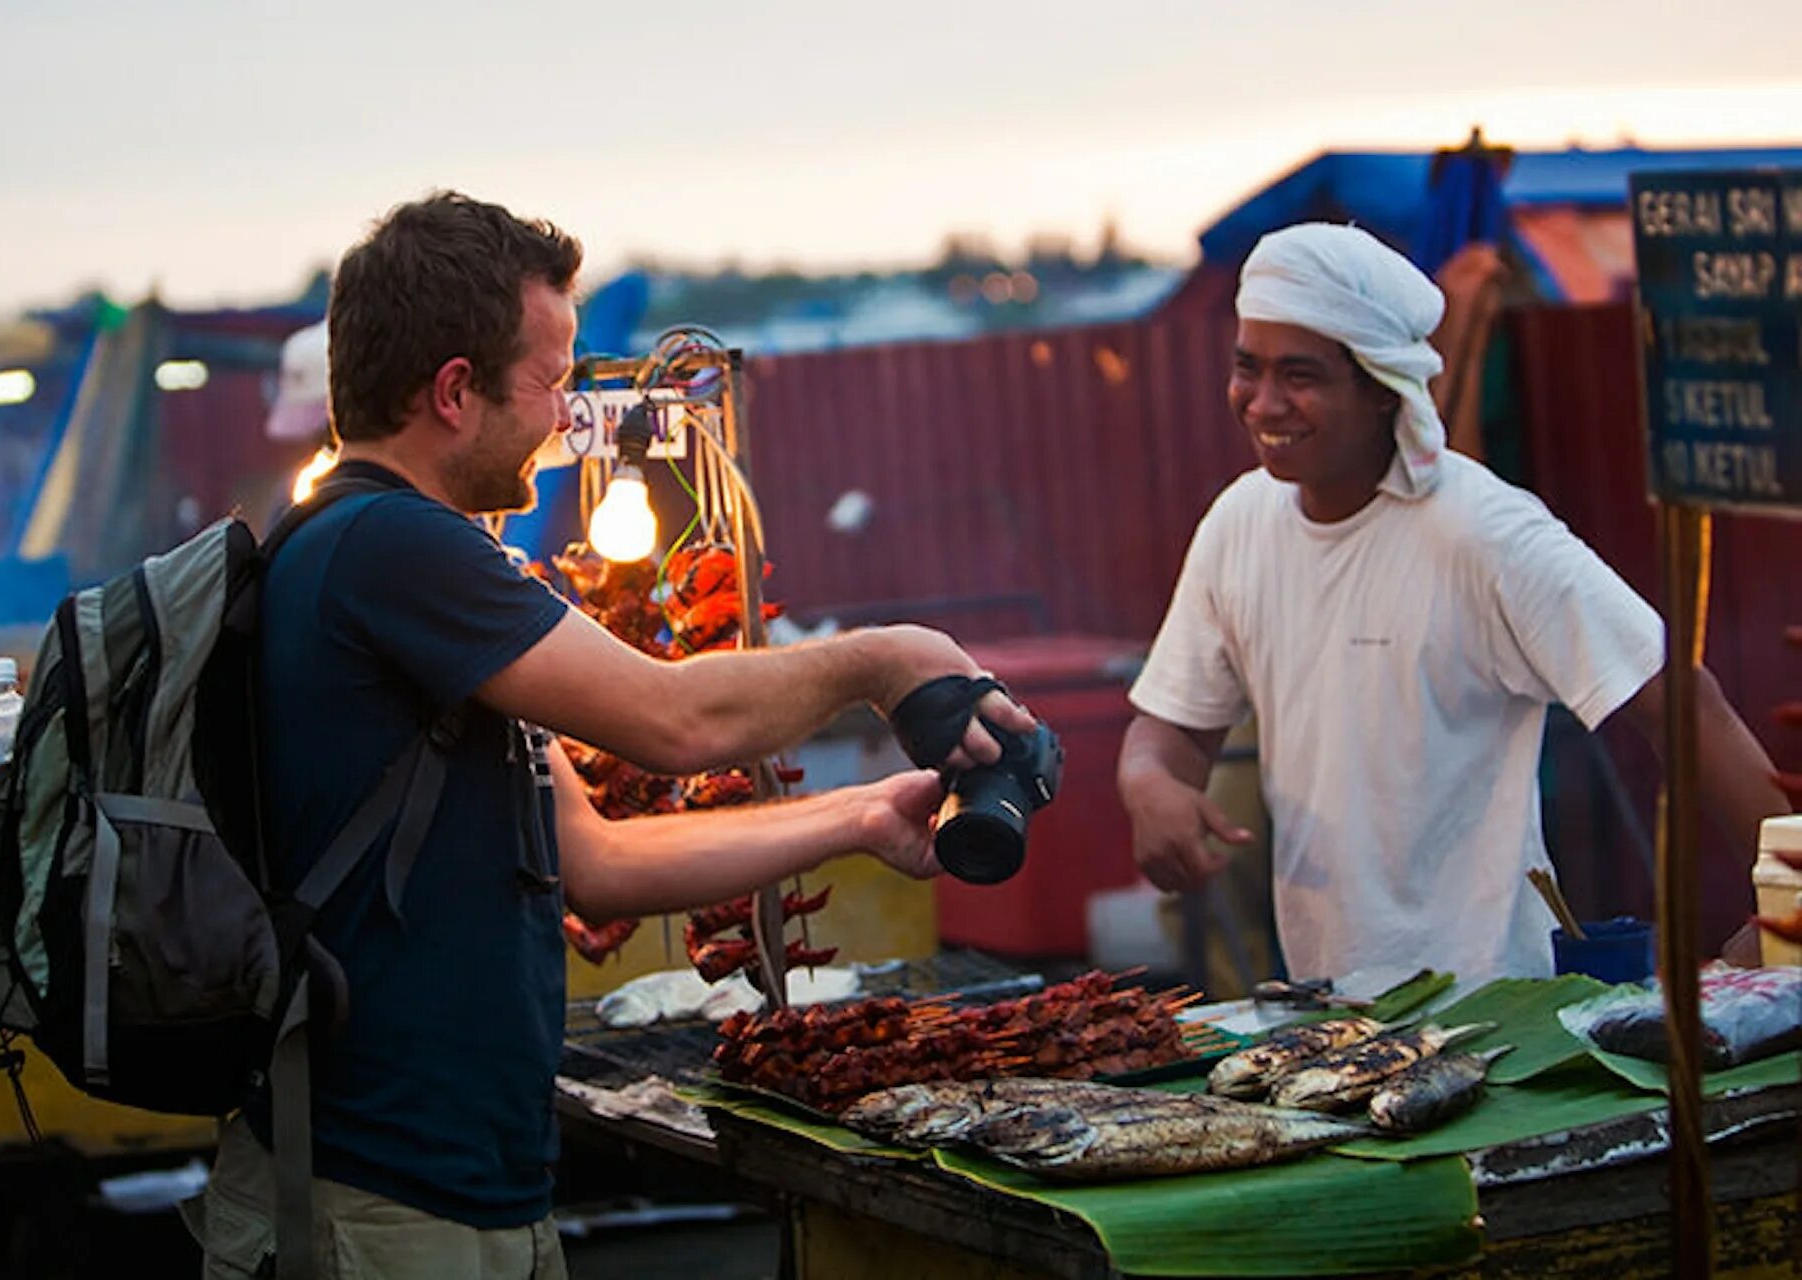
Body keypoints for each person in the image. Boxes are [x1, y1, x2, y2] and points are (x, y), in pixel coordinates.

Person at [195, 192, 1033, 1280]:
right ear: (455, 391)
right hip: (375, 1204)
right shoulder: (391, 545)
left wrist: (862, 815)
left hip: (460, 1188)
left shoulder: (385, 558)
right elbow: (672, 718)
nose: (564, 414)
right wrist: (885, 660)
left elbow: (598, 862)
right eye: (550, 379)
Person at [1117, 222, 1787, 984]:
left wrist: (1783, 905)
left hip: (1497, 1008)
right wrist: (1150, 784)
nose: (1263, 403)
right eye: (1248, 368)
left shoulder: (1482, 531)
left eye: (1300, 375)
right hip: (1337, 1014)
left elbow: (1682, 700)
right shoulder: (1239, 523)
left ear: (1382, 387)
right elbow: (1175, 727)